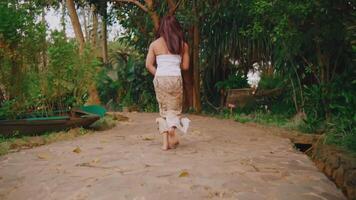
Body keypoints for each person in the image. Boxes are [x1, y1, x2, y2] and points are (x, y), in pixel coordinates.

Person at [145, 15, 191, 150]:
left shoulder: (154, 44)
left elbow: (148, 65)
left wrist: (159, 74)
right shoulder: (183, 45)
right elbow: (186, 66)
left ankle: (165, 144)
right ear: (177, 28)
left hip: (160, 78)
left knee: (163, 111)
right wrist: (174, 64)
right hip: (175, 78)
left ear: (162, 28)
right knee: (174, 110)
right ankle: (172, 129)